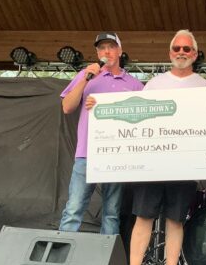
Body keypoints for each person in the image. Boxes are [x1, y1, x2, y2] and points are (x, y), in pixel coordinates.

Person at [130, 29, 206, 265]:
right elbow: (138, 120)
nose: (181, 52)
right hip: (153, 164)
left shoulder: (205, 86)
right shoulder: (154, 84)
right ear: (170, 53)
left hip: (185, 166)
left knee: (176, 220)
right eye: (177, 48)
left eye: (187, 48)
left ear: (195, 54)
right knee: (143, 217)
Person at [59, 32, 143, 235]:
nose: (107, 51)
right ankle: (60, 253)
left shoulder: (134, 84)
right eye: (102, 48)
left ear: (120, 51)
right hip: (86, 154)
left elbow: (144, 117)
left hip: (117, 156)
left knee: (112, 213)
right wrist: (85, 80)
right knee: (73, 209)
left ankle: (107, 255)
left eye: (111, 47)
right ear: (97, 53)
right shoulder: (85, 75)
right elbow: (67, 107)